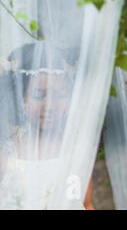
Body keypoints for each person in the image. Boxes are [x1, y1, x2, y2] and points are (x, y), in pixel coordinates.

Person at [0, 43, 94, 209]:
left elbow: (86, 204)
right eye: (38, 95)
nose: (50, 105)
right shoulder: (6, 156)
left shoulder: (76, 153)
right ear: (20, 96)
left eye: (60, 94)